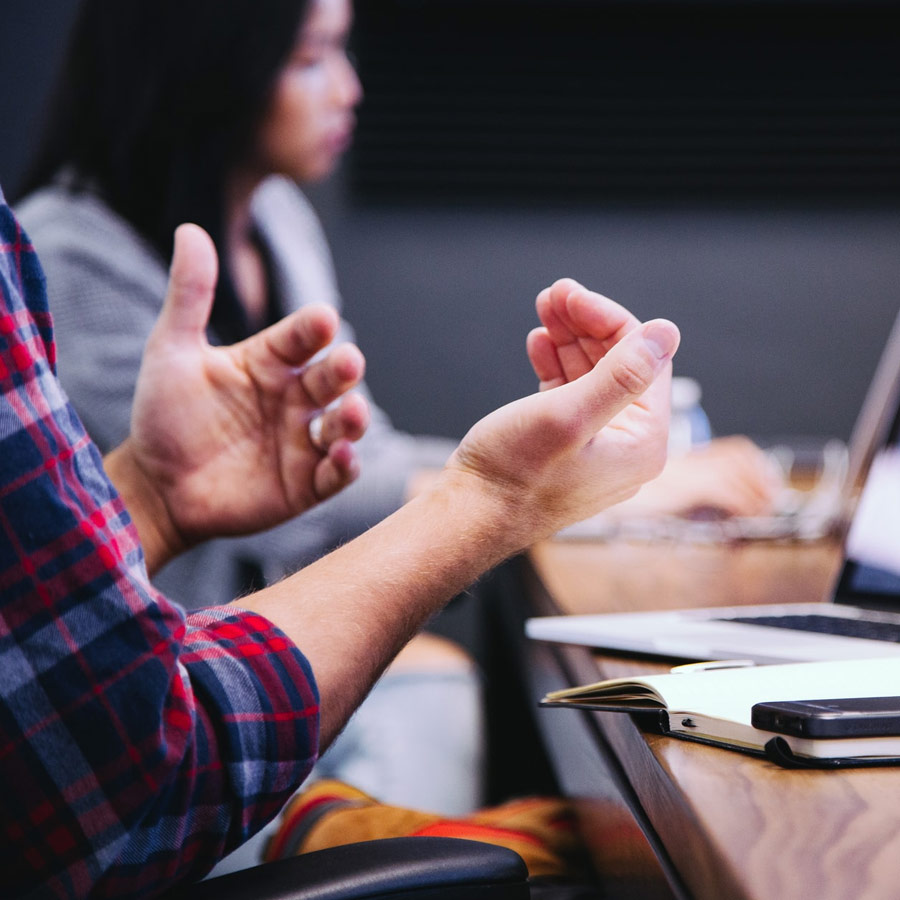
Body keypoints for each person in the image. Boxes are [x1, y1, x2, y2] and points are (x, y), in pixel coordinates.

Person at [0, 184, 680, 897]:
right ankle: (316, 830)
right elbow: (127, 769)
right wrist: (494, 499)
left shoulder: (279, 217)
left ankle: (331, 826)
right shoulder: (68, 245)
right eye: (312, 63)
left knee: (440, 681)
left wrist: (149, 497)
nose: (349, 89)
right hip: (150, 801)